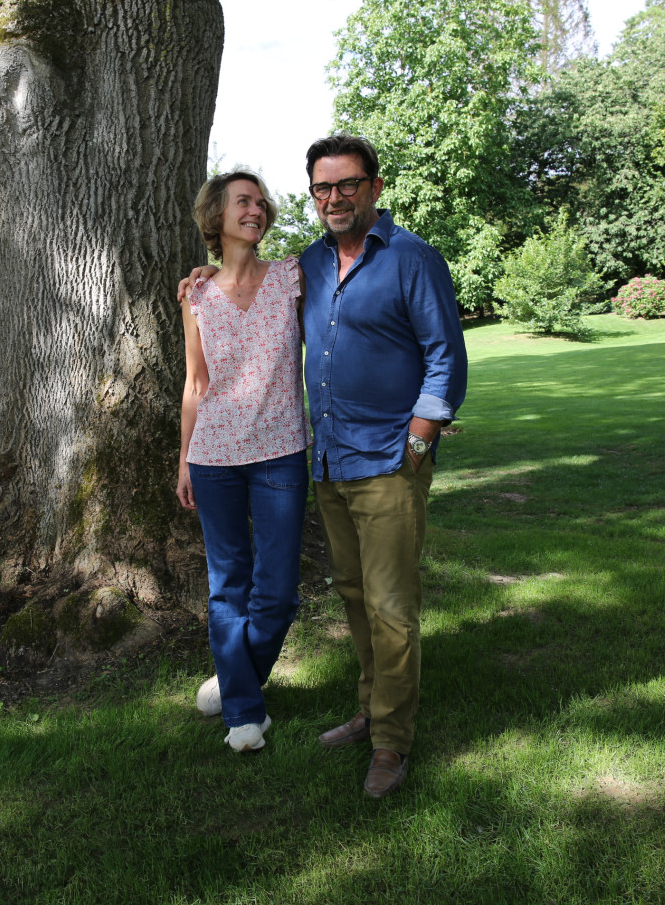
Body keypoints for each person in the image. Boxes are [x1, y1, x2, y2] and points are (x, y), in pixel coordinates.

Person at [179, 135, 467, 797]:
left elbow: (446, 355)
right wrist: (200, 280)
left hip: (388, 458)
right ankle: (369, 710)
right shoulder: (306, 264)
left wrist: (419, 441)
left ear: (374, 187)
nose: (333, 198)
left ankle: (392, 744)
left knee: (391, 605)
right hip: (331, 461)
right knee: (357, 596)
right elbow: (215, 343)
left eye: (346, 185)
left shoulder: (408, 258)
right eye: (322, 188)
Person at [177, 168, 310, 753]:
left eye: (261, 202)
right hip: (214, 458)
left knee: (277, 592)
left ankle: (234, 680)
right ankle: (244, 713)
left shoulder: (292, 277)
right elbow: (195, 382)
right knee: (227, 585)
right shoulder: (196, 294)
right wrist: (184, 459)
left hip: (280, 452)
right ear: (217, 216)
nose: (256, 209)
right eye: (243, 202)